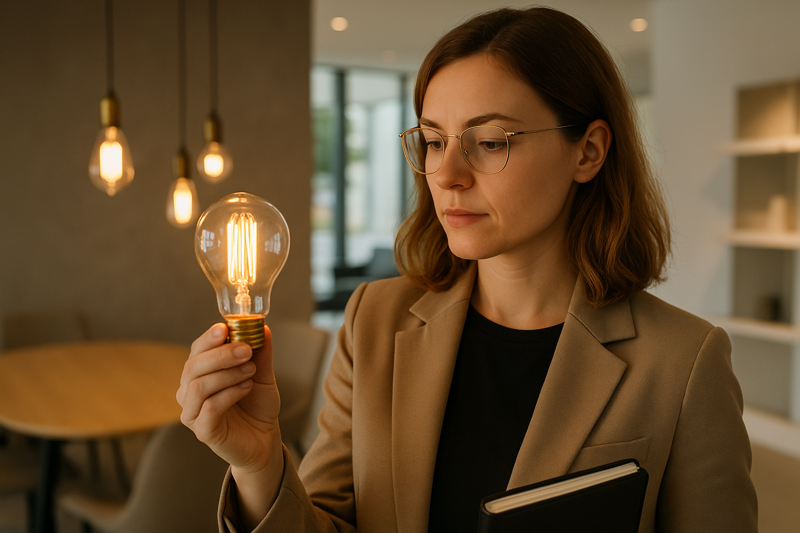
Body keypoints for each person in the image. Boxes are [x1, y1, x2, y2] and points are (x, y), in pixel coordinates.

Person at [176, 6, 758, 533]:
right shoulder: (374, 321)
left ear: (589, 151)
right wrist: (258, 465)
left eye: (490, 141)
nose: (447, 173)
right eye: (433, 141)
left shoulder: (684, 362)